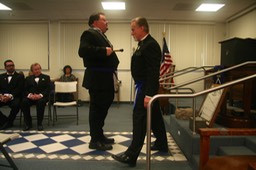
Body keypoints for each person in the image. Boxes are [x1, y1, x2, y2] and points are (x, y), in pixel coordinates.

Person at [112, 17, 168, 167]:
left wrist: (149, 95)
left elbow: (152, 72)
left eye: (133, 29)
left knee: (139, 120)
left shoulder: (150, 45)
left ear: (142, 28)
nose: (131, 33)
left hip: (145, 88)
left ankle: (131, 155)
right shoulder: (143, 44)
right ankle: (162, 143)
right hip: (143, 86)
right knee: (155, 116)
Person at [78, 12, 119, 150]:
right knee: (97, 110)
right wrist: (103, 51)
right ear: (94, 22)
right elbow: (82, 51)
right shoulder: (89, 33)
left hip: (105, 78)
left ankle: (99, 135)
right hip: (97, 78)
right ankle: (94, 140)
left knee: (103, 107)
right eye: (104, 20)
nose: (107, 22)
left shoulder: (101, 35)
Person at [21, 63, 50, 131]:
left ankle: (39, 123)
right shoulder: (28, 78)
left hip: (42, 97)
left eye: (38, 69)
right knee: (24, 102)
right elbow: (25, 89)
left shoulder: (46, 77)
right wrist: (30, 95)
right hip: (31, 97)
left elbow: (48, 89)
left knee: (41, 102)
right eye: (35, 69)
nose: (37, 71)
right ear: (32, 71)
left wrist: (40, 95)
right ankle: (28, 123)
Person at [0, 59, 24, 129]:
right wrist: (1, 95)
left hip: (14, 97)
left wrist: (10, 96)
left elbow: (19, 89)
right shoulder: (1, 76)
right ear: (5, 67)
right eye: (9, 66)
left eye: (12, 65)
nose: (11, 67)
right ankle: (5, 120)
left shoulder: (20, 76)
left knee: (16, 105)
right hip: (2, 97)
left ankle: (9, 122)